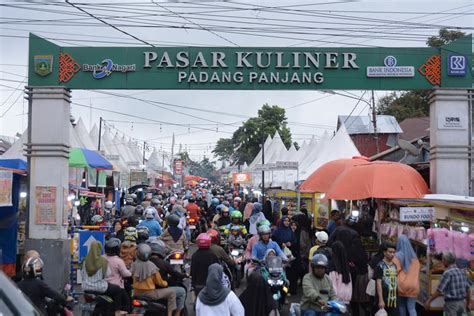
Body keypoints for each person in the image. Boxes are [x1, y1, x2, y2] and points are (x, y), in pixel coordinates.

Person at [81, 241, 127, 315]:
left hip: (85, 287)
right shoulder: (103, 261)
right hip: (101, 287)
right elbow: (107, 274)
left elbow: (82, 274)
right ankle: (117, 311)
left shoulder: (84, 260)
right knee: (117, 290)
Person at [131, 243, 177, 316]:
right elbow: (159, 282)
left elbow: (131, 275)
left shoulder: (133, 264)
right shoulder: (151, 266)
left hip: (136, 293)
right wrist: (166, 283)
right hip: (150, 294)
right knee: (172, 293)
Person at [425, 252, 471, 316]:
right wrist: (468, 304)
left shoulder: (447, 273)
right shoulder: (462, 272)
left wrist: (429, 300)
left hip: (451, 304)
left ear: (445, 261)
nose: (442, 262)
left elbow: (439, 290)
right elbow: (468, 290)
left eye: (443, 260)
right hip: (461, 303)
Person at [393, 235, 420, 316]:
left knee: (402, 306)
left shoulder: (397, 256)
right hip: (414, 285)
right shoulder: (415, 258)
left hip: (402, 285)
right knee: (411, 308)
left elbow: (395, 271)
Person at [272, 215, 298, 294]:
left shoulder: (290, 231)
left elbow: (295, 241)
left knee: (289, 273)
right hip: (279, 254)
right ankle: (280, 291)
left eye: (288, 221)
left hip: (289, 255)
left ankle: (288, 290)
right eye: (285, 221)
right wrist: (281, 244)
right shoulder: (277, 231)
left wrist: (291, 243)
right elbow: (273, 240)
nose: (287, 222)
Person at [104, 238, 131, 311]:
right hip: (117, 287)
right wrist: (131, 272)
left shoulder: (102, 258)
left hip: (103, 286)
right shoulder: (118, 261)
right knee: (127, 303)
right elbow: (125, 274)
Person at [374, 242, 398, 316]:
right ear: (384, 252)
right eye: (390, 252)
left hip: (393, 299)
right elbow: (378, 283)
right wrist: (381, 300)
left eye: (394, 252)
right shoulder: (380, 266)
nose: (392, 254)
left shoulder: (394, 266)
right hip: (383, 298)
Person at [327, 241, 352, 305]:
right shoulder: (346, 264)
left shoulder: (333, 264)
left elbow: (332, 285)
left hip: (337, 299)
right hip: (347, 297)